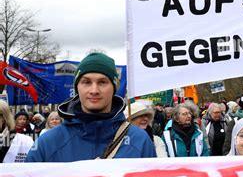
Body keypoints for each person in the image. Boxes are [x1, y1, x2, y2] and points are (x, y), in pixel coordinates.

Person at [26, 52, 156, 162]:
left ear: (114, 87)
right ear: (77, 87)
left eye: (102, 82)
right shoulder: (47, 143)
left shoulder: (140, 141)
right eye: (86, 82)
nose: (94, 90)